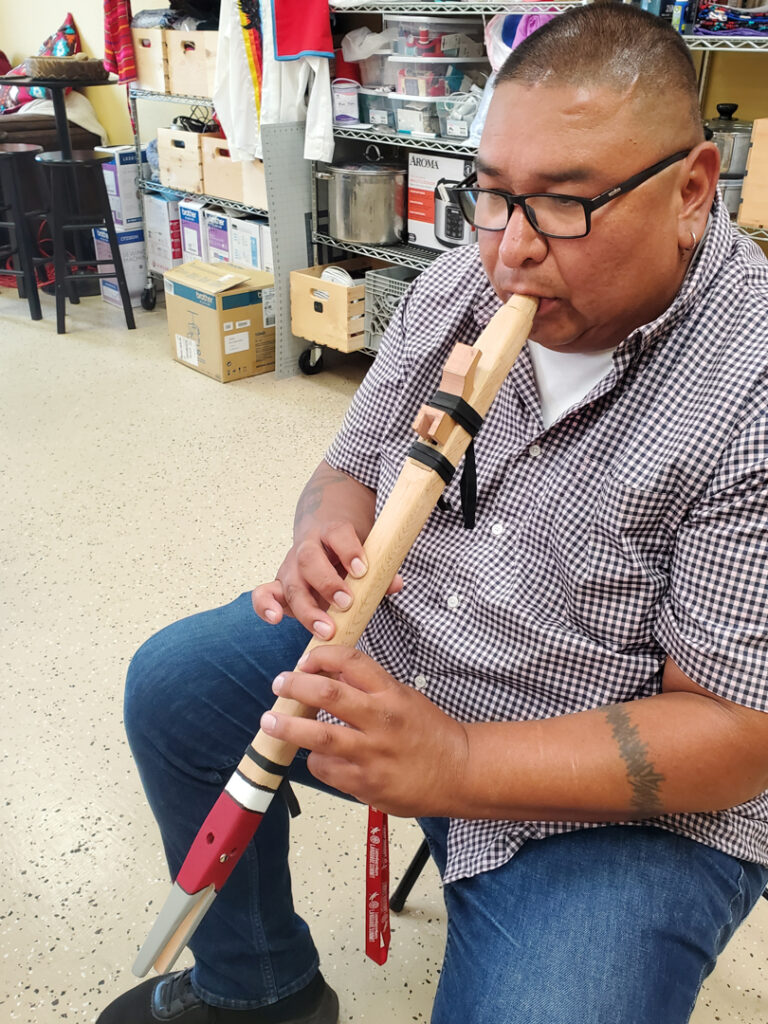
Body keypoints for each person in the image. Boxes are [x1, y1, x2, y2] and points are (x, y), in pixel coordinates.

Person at [98, 4, 768, 1023]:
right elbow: (351, 465)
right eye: (491, 197)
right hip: (419, 651)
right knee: (174, 688)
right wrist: (318, 528)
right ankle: (259, 988)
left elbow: (738, 732)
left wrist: (457, 763)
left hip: (626, 796)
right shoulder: (471, 269)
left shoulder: (752, 385)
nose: (510, 253)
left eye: (562, 204)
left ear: (691, 190)